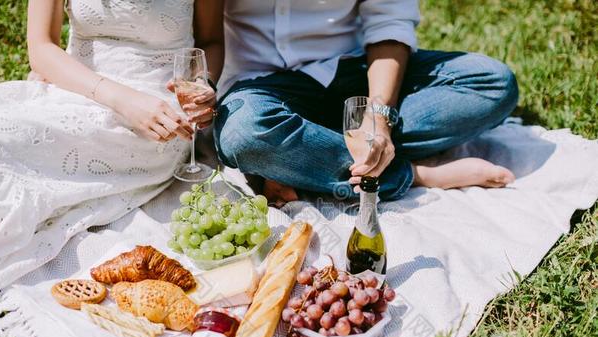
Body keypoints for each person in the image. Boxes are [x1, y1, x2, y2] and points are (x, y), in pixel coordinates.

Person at [0, 0, 223, 294]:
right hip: (76, 89)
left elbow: (211, 41)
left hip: (156, 118)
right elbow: (41, 48)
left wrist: (201, 83)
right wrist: (120, 99)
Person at [214, 0, 518, 206]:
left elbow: (390, 19)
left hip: (354, 70)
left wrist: (378, 114)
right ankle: (411, 174)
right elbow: (204, 34)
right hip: (261, 84)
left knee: (492, 82)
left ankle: (299, 156)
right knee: (242, 132)